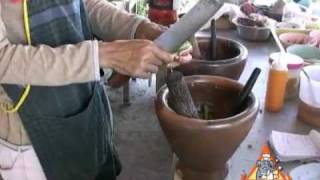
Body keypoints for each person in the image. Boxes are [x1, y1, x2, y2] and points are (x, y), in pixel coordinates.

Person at [0, 0, 190, 179]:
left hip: (84, 107)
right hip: (29, 134)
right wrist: (104, 55)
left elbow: (83, 4)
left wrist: (140, 28)